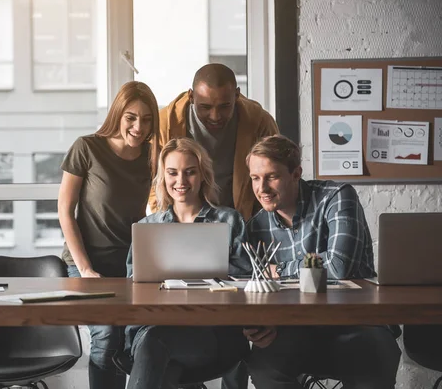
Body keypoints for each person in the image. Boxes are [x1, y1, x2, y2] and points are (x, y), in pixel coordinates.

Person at [243, 134, 401, 389]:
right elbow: (263, 289)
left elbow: (339, 266)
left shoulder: (337, 196)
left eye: (272, 176)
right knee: (263, 368)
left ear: (296, 173)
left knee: (376, 359)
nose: (262, 188)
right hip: (295, 328)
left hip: (357, 322)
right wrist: (263, 323)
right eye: (255, 178)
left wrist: (280, 269)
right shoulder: (256, 227)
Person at [124, 137, 251, 389]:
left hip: (210, 333)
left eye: (190, 172)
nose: (180, 181)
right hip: (151, 327)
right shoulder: (147, 227)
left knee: (156, 346)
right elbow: (133, 288)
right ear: (163, 177)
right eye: (172, 173)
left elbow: (244, 286)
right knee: (158, 351)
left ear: (202, 175)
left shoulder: (228, 220)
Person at [58, 81, 160, 389]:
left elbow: (147, 211)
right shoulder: (87, 148)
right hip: (86, 262)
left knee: (141, 336)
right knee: (106, 336)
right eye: (131, 117)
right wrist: (86, 269)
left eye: (146, 119)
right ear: (118, 114)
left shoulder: (152, 155)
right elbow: (65, 211)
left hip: (129, 263)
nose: (138, 126)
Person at [151, 63, 279, 221]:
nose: (215, 116)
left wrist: (260, 224)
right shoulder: (165, 123)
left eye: (224, 107)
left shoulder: (259, 122)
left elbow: (276, 173)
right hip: (182, 223)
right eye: (205, 107)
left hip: (242, 221)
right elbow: (152, 179)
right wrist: (165, 221)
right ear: (191, 97)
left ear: (237, 95)